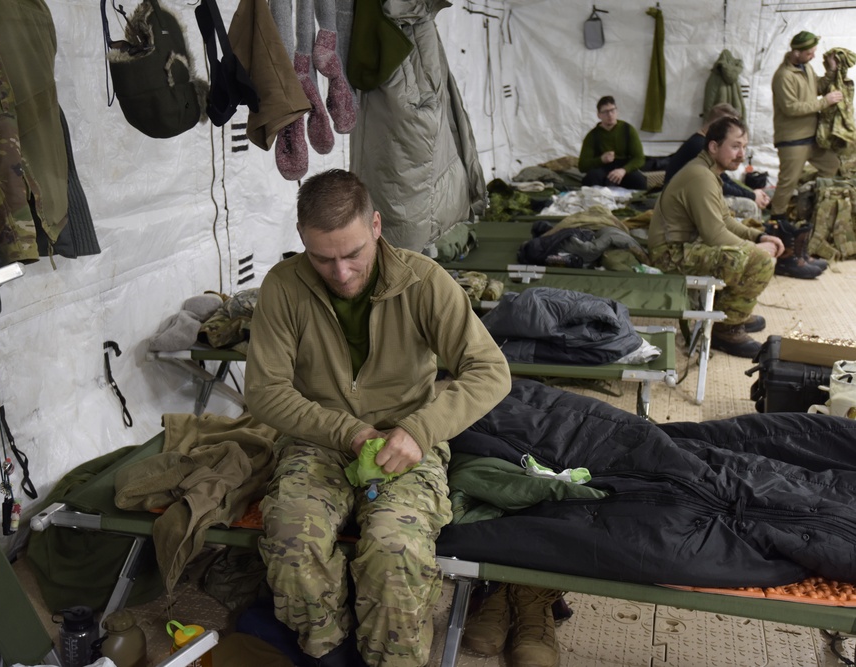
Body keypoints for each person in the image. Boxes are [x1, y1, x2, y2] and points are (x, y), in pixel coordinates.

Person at [244, 169, 513, 667]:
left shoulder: (424, 281)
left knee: (395, 549)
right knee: (290, 536)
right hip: (317, 442)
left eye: (352, 255)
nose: (341, 272)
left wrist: (419, 430)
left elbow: (491, 372)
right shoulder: (283, 287)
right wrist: (345, 431)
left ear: (375, 226)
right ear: (302, 239)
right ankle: (326, 651)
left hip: (405, 443)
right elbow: (264, 392)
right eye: (323, 258)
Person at [648, 116, 784, 359]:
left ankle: (730, 311)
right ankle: (726, 328)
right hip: (671, 255)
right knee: (759, 262)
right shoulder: (700, 176)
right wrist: (755, 248)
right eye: (735, 146)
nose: (741, 154)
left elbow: (726, 220)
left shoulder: (709, 172)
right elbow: (715, 234)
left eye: (744, 146)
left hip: (685, 248)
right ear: (713, 147)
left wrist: (760, 235)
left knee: (755, 254)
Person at [769, 31, 843, 217]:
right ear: (796, 52)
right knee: (788, 181)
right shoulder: (783, 76)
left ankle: (812, 203)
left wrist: (831, 71)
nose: (813, 56)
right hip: (792, 139)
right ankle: (776, 219)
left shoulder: (806, 68)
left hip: (812, 136)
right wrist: (824, 102)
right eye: (810, 53)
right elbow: (791, 108)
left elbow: (816, 87)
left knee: (832, 165)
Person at [664, 103, 771, 219]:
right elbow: (720, 185)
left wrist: (752, 193)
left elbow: (723, 178)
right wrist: (752, 196)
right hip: (681, 203)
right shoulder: (700, 147)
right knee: (749, 205)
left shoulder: (703, 142)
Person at [578, 96, 648, 190]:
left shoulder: (627, 130)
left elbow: (639, 158)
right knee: (591, 179)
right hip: (602, 168)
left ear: (617, 111)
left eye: (612, 110)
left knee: (639, 181)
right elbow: (582, 165)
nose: (610, 115)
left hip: (624, 167)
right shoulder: (592, 136)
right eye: (605, 112)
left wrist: (624, 170)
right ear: (599, 115)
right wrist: (601, 160)